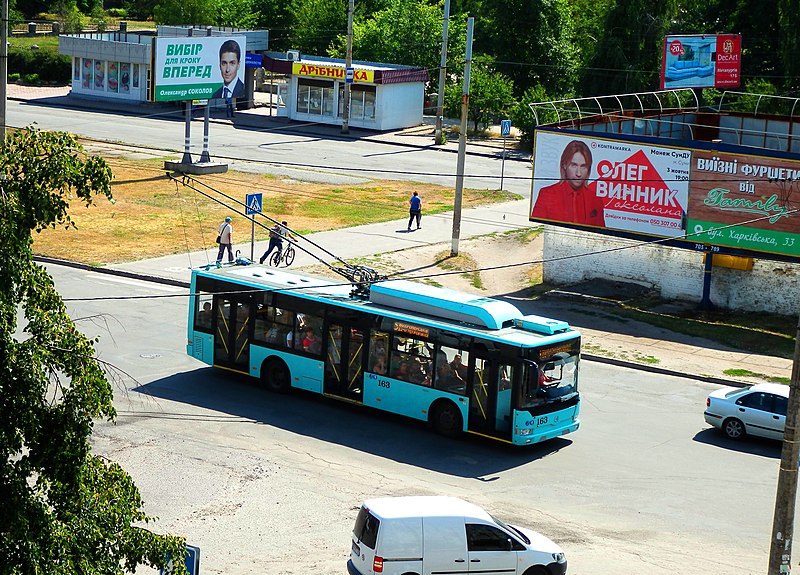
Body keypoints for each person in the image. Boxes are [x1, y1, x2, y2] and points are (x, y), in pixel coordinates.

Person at [531, 140, 606, 227]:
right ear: (565, 165)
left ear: (588, 169)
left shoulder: (595, 199)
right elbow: (537, 229)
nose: (578, 173)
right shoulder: (547, 194)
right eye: (574, 165)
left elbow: (600, 234)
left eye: (583, 166)